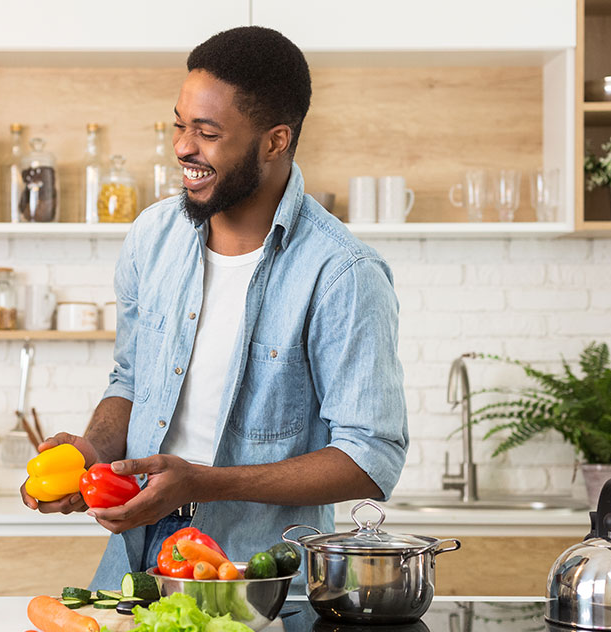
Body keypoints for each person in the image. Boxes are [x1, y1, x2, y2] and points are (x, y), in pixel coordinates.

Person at [22, 25, 409, 589]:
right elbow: (130, 380)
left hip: (256, 579)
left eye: (206, 132)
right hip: (132, 562)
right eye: (180, 125)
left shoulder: (342, 274)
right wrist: (90, 450)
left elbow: (371, 458)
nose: (183, 147)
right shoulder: (152, 237)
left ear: (275, 141)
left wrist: (204, 482)